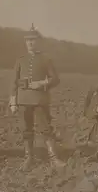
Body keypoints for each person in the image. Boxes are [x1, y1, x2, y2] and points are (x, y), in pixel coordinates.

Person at [9, 24, 66, 170]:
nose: (30, 43)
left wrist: (42, 83)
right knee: (26, 129)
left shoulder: (45, 59)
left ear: (38, 41)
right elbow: (14, 81)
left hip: (40, 100)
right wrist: (13, 100)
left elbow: (55, 79)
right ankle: (29, 158)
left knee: (46, 128)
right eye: (28, 40)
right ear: (25, 42)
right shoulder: (20, 60)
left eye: (33, 40)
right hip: (23, 100)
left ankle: (53, 158)